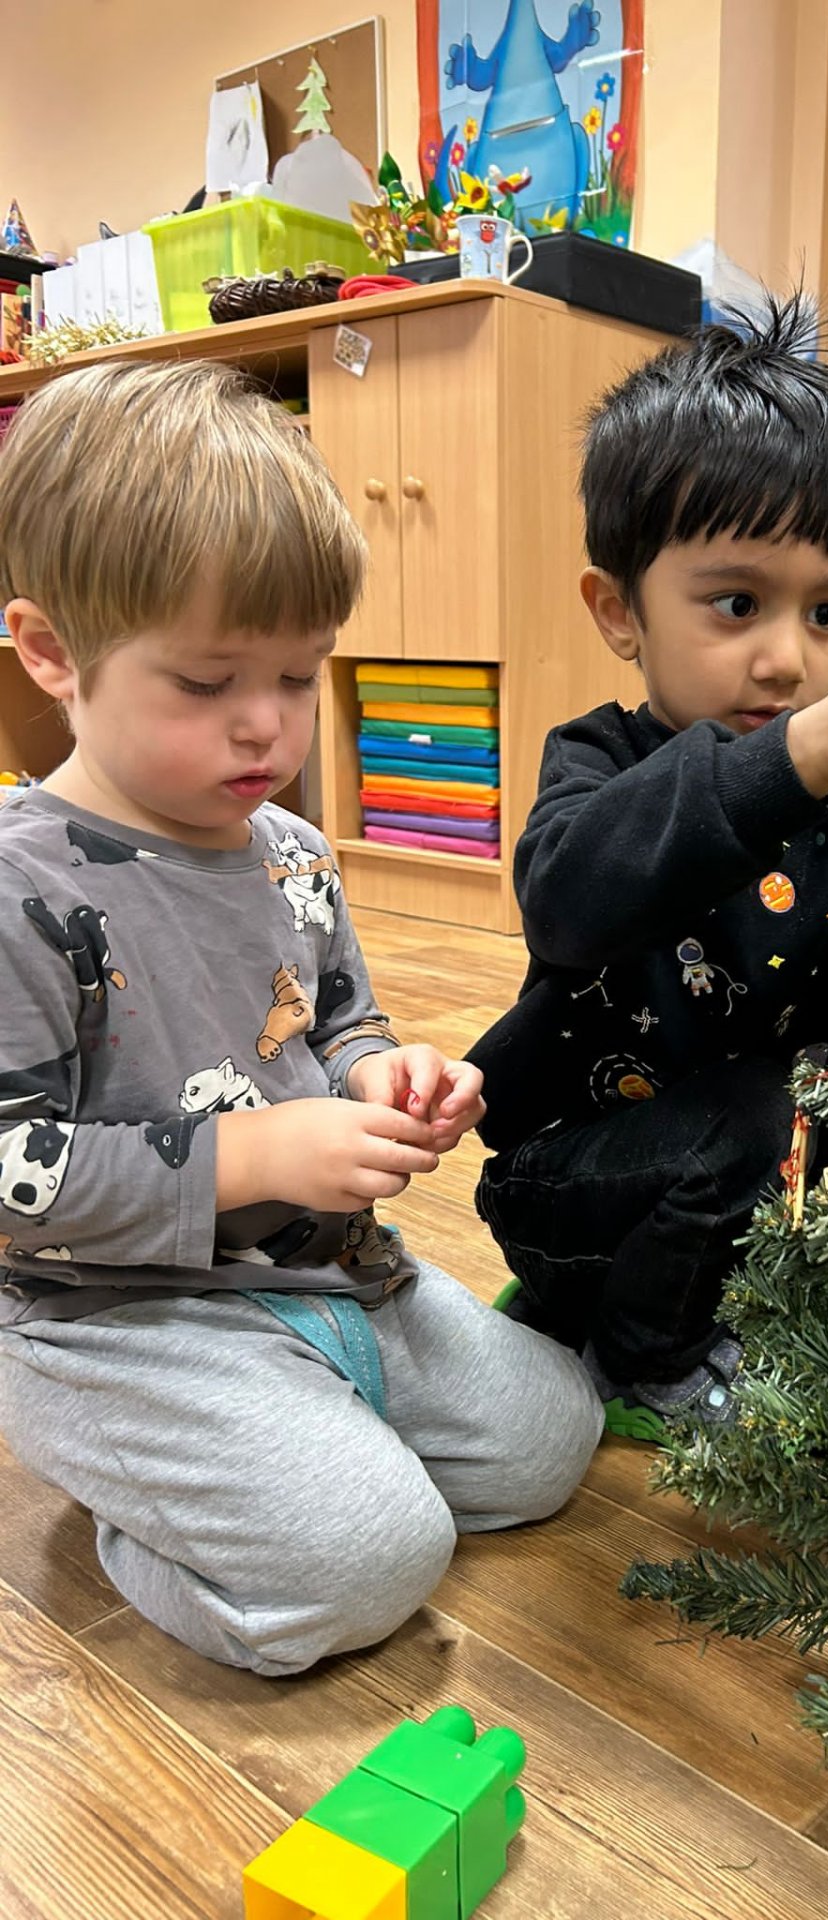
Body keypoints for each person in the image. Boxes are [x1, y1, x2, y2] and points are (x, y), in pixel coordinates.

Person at [0, 360, 601, 1676]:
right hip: (115, 1322)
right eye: (208, 681)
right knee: (369, 1562)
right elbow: (12, 1177)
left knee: (552, 1437)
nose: (268, 727)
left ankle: (291, 1435)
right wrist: (253, 1154)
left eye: (297, 671)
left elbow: (339, 1021)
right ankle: (142, 1515)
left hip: (326, 1269)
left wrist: (386, 1076)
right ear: (51, 652)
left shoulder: (291, 851)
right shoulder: (18, 889)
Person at [468, 297, 828, 1437]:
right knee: (749, 1110)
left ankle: (729, 1300)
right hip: (572, 1191)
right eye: (737, 604)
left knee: (825, 1118)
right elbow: (568, 904)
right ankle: (647, 1358)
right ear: (618, 612)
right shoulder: (598, 759)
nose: (788, 658)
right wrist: (798, 757)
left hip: (762, 1187)